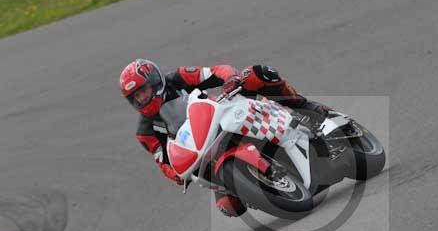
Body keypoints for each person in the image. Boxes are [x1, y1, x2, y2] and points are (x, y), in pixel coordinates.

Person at [119, 59, 330, 217]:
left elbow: (217, 71)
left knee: (258, 73)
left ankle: (305, 108)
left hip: (222, 116)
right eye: (135, 97)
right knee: (229, 207)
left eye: (143, 91)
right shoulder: (145, 132)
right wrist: (176, 173)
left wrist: (230, 79)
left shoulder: (178, 78)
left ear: (155, 81)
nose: (142, 98)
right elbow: (162, 162)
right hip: (205, 155)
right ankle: (262, 185)